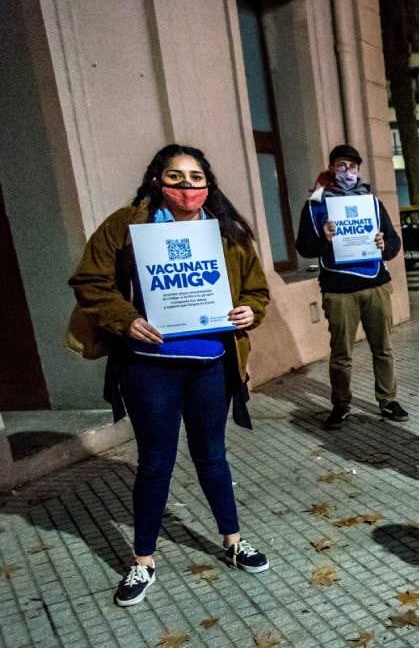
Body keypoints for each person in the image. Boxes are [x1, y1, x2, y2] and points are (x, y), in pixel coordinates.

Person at [68, 144, 272, 607]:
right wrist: (125, 318)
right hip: (148, 367)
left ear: (208, 183)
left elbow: (257, 292)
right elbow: (90, 281)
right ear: (157, 179)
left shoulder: (228, 233)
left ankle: (233, 541)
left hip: (210, 366)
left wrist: (249, 311)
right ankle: (142, 561)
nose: (186, 186)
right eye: (175, 176)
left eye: (196, 177)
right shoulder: (126, 225)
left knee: (212, 457)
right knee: (155, 461)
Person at [295, 144, 407, 430]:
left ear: (359, 170)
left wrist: (384, 247)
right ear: (331, 167)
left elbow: (394, 243)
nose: (347, 171)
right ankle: (341, 404)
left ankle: (388, 400)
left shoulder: (371, 203)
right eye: (341, 165)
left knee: (382, 348)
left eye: (353, 166)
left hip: (375, 285)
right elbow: (303, 247)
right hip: (338, 289)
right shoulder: (315, 205)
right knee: (341, 354)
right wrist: (323, 238)